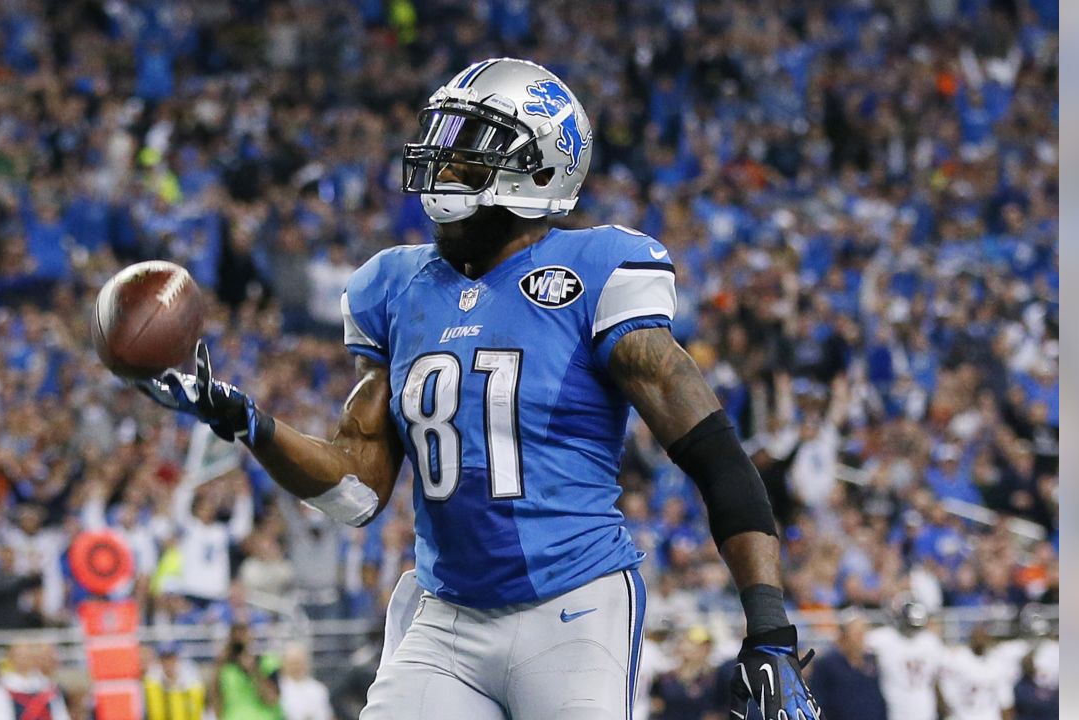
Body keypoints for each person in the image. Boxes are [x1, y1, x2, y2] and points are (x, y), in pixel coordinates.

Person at [140, 58, 820, 720]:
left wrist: (769, 629)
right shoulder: (395, 286)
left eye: (468, 154)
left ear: (541, 169)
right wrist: (251, 423)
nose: (441, 167)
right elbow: (356, 493)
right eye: (442, 144)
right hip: (447, 617)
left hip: (571, 606)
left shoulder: (596, 272)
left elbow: (715, 456)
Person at [865, 601, 945, 720]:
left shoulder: (929, 641)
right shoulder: (885, 638)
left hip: (924, 707)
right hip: (897, 707)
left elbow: (939, 675)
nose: (913, 630)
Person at [809, 614, 887, 720]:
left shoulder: (872, 661)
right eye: (857, 634)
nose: (861, 639)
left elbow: (879, 697)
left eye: (863, 634)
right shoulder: (826, 663)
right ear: (844, 637)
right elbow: (818, 698)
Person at [938, 625, 1015, 720]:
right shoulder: (958, 660)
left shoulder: (997, 663)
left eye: (983, 638)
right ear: (971, 639)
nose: (979, 641)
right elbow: (945, 690)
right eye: (976, 638)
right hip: (963, 715)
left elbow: (1005, 700)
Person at [212, 624, 281, 720]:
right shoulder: (224, 667)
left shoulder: (266, 662)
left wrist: (254, 671)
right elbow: (216, 699)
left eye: (243, 632)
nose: (240, 638)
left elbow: (272, 699)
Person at [143, 642, 206, 720]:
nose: (168, 663)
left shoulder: (191, 679)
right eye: (164, 659)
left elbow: (196, 711)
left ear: (177, 659)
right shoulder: (153, 679)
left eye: (171, 658)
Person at [279, 642, 335, 720]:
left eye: (298, 662)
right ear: (284, 664)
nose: (296, 667)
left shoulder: (318, 689)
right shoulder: (277, 690)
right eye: (292, 663)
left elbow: (328, 716)